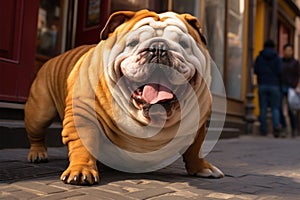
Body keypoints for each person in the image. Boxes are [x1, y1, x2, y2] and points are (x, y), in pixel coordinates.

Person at [254, 40, 282, 137]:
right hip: (274, 85)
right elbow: (280, 71)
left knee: (263, 108)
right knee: (275, 108)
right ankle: (276, 127)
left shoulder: (259, 57)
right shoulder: (277, 58)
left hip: (262, 84)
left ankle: (263, 130)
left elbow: (255, 70)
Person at [280, 44, 300, 137]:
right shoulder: (280, 61)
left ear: (292, 51)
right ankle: (284, 127)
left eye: (290, 50)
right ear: (283, 51)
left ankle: (294, 129)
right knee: (280, 108)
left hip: (291, 88)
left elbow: (298, 75)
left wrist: (296, 86)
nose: (288, 52)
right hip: (281, 86)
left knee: (291, 109)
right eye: (286, 50)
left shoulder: (295, 63)